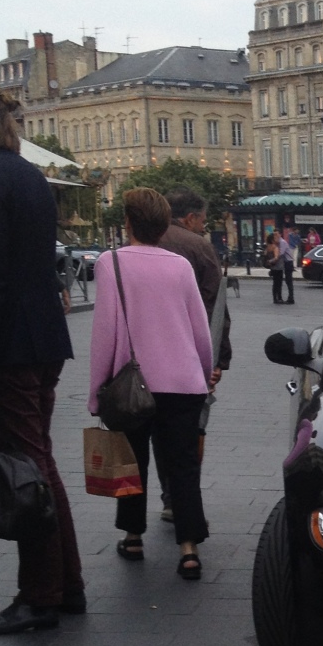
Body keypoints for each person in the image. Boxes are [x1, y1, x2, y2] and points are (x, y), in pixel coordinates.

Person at [0, 87, 85, 634]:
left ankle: (40, 594)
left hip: (12, 345)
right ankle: (66, 588)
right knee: (40, 464)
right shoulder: (28, 176)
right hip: (42, 340)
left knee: (28, 471)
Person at [88, 188, 214, 581]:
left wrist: (96, 391)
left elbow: (104, 333)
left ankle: (133, 536)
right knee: (182, 466)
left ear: (127, 223)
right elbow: (200, 331)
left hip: (132, 383)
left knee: (131, 464)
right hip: (183, 382)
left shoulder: (111, 264)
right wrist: (204, 373)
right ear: (164, 225)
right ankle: (189, 549)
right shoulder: (180, 266)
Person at [160, 188, 232, 523]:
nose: (204, 226)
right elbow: (216, 309)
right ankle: (183, 497)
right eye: (203, 220)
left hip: (150, 358)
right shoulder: (199, 247)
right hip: (192, 354)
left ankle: (167, 496)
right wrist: (219, 361)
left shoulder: (145, 242)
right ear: (190, 218)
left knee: (158, 431)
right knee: (192, 429)